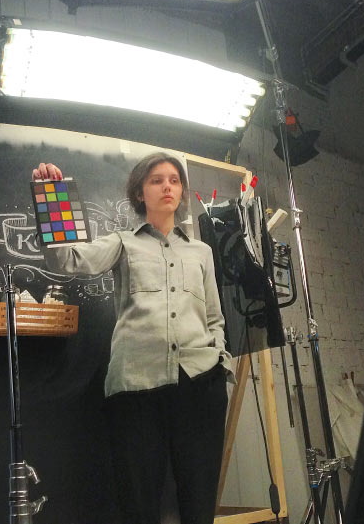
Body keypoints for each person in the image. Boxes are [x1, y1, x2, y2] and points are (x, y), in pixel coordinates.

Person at [32, 155, 233, 524]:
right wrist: (51, 197)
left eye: (174, 180)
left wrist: (220, 362)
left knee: (199, 502)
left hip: (199, 383)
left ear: (182, 191)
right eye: (156, 180)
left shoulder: (202, 252)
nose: (167, 186)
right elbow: (65, 261)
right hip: (137, 386)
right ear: (141, 193)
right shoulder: (123, 243)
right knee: (137, 504)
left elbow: (214, 318)